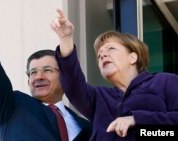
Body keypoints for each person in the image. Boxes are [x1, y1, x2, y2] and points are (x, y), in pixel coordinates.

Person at [50, 9, 178, 141]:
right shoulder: (98, 98)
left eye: (111, 48)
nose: (103, 55)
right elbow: (73, 85)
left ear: (133, 57)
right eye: (99, 55)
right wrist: (65, 38)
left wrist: (137, 120)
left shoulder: (165, 82)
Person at [0, 18, 92, 141]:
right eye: (33, 72)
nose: (39, 77)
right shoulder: (12, 106)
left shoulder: (86, 127)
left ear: (64, 77)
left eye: (47, 70)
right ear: (28, 81)